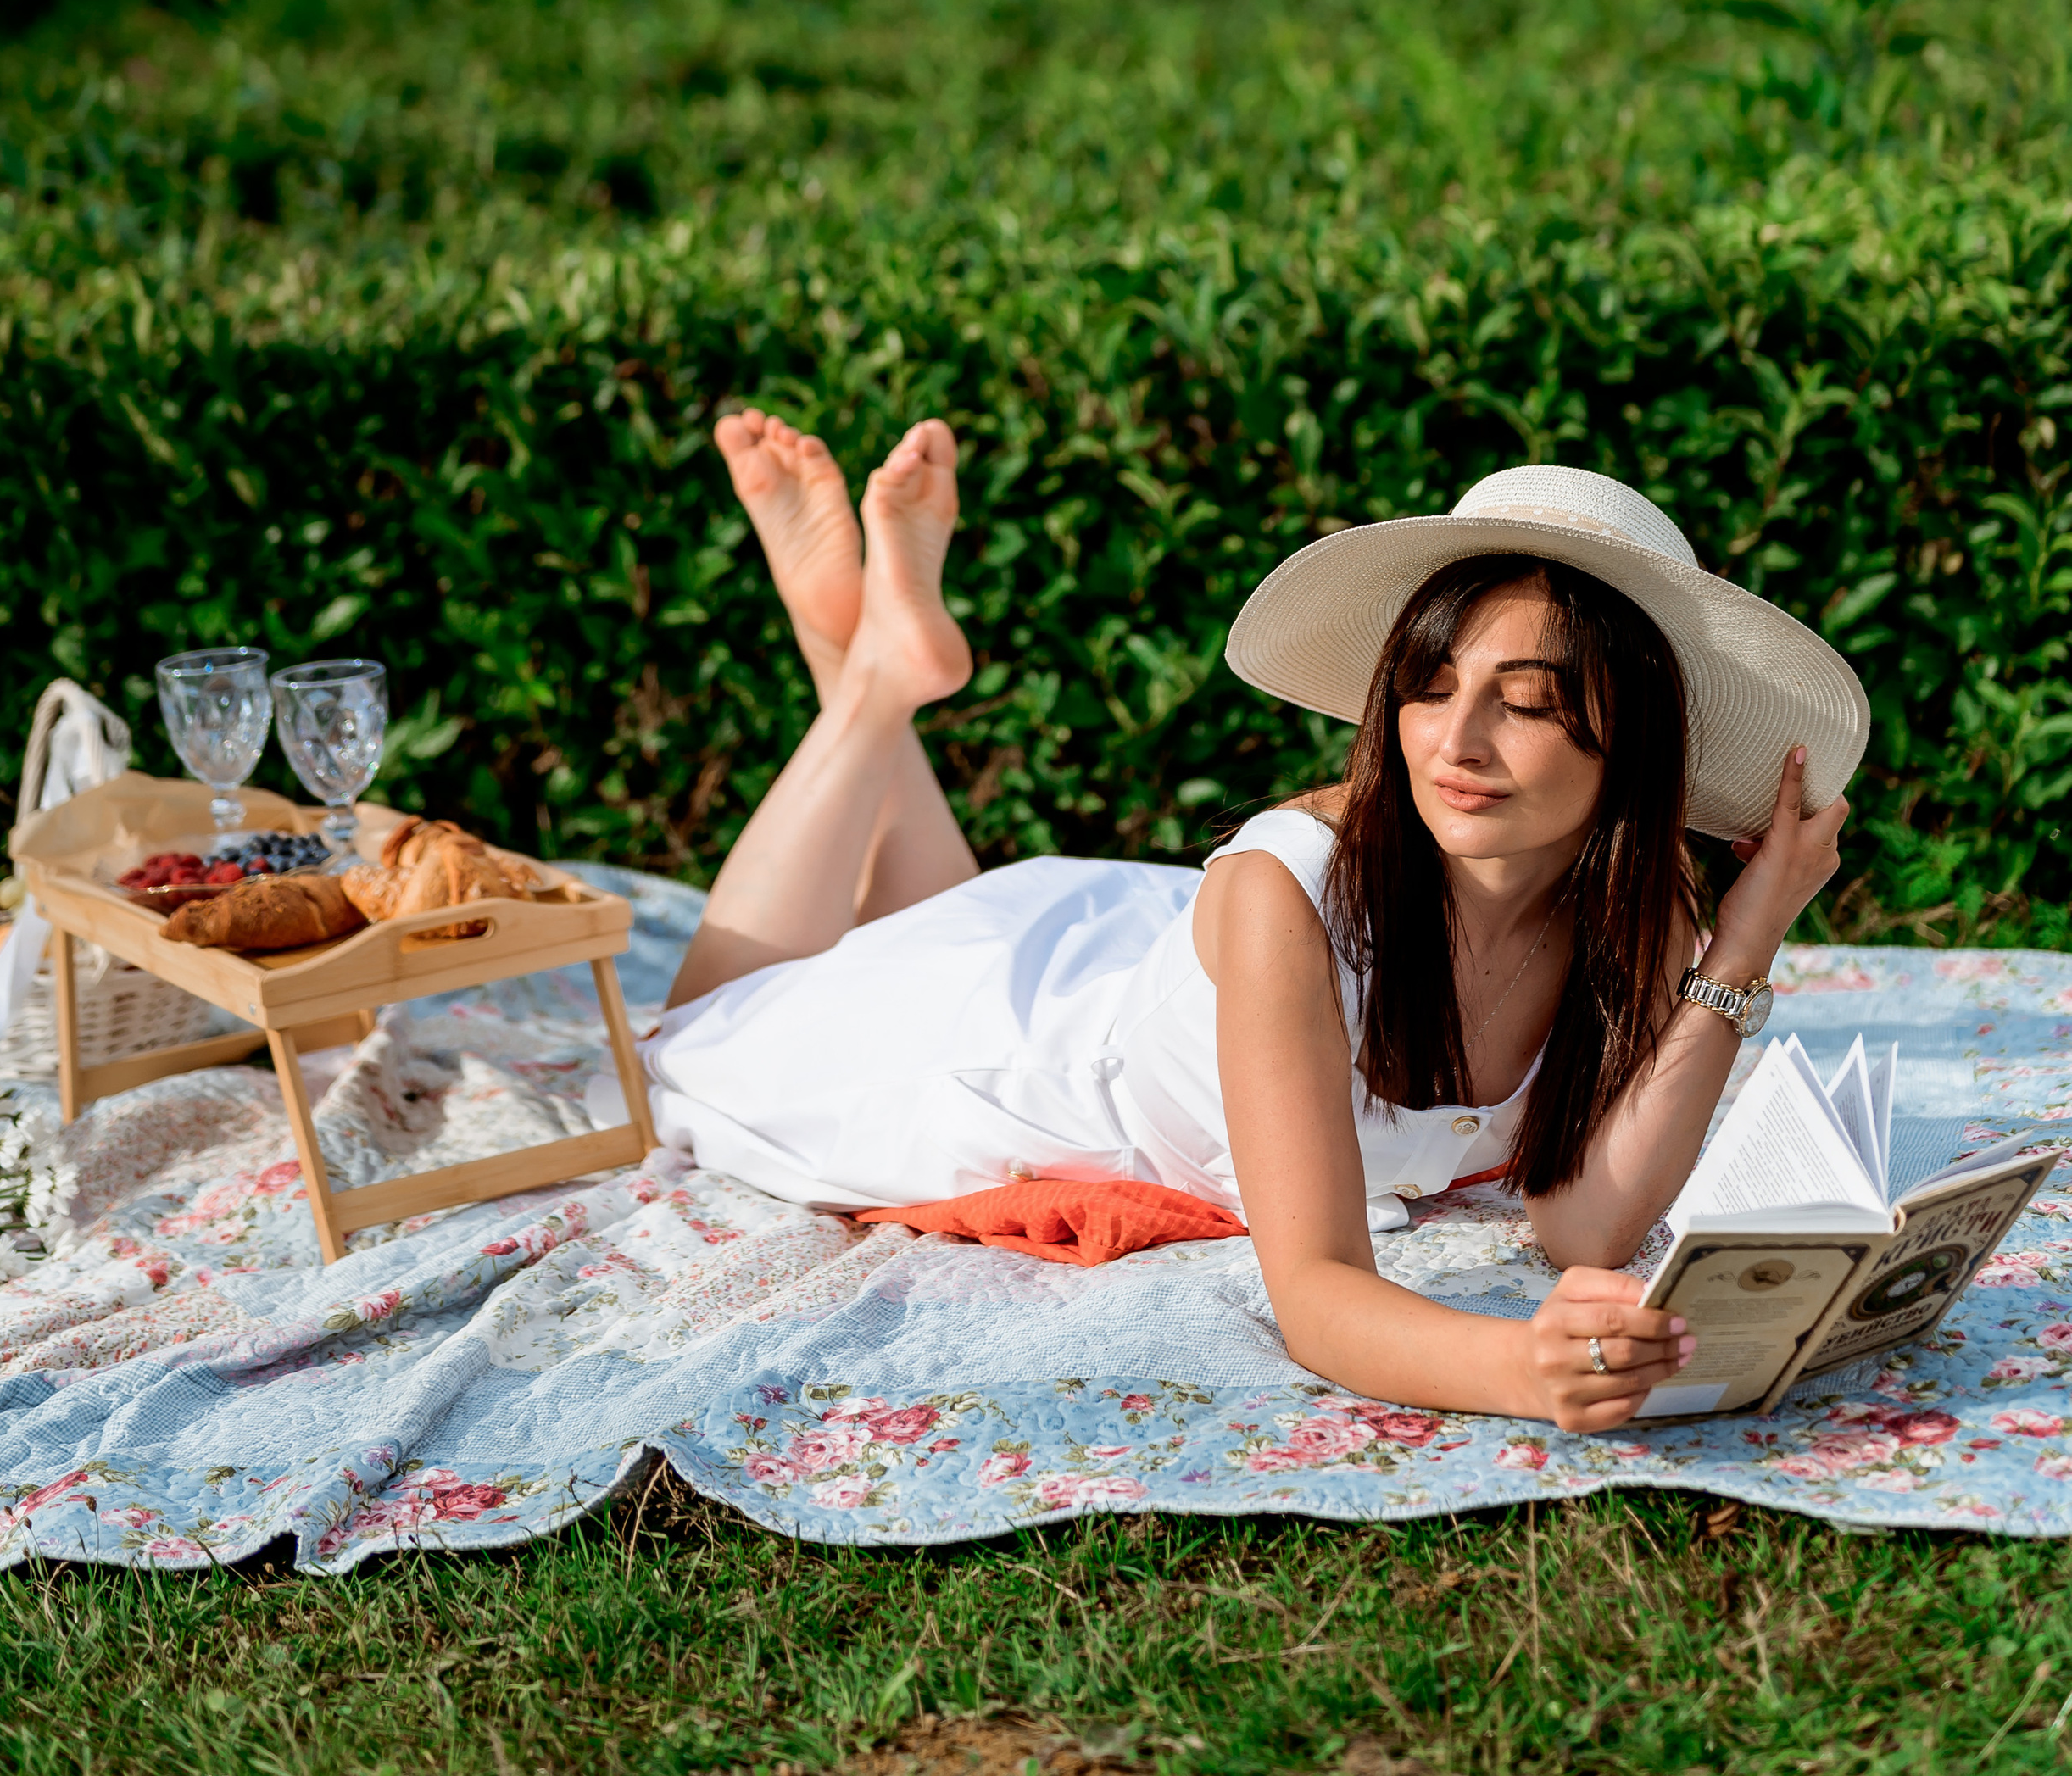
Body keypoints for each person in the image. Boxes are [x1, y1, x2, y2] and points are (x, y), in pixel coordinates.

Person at [624, 410, 1866, 1434]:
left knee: (926, 915)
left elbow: (1584, 1221)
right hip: (1022, 1038)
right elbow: (1317, 1293)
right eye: (1429, 689)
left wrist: (1743, 944)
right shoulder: (1290, 893)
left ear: (1628, 747)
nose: (1457, 743)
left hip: (1125, 941)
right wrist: (1515, 1372)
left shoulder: (1634, 919)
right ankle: (877, 680)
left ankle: (873, 666)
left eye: (1526, 703)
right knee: (689, 1039)